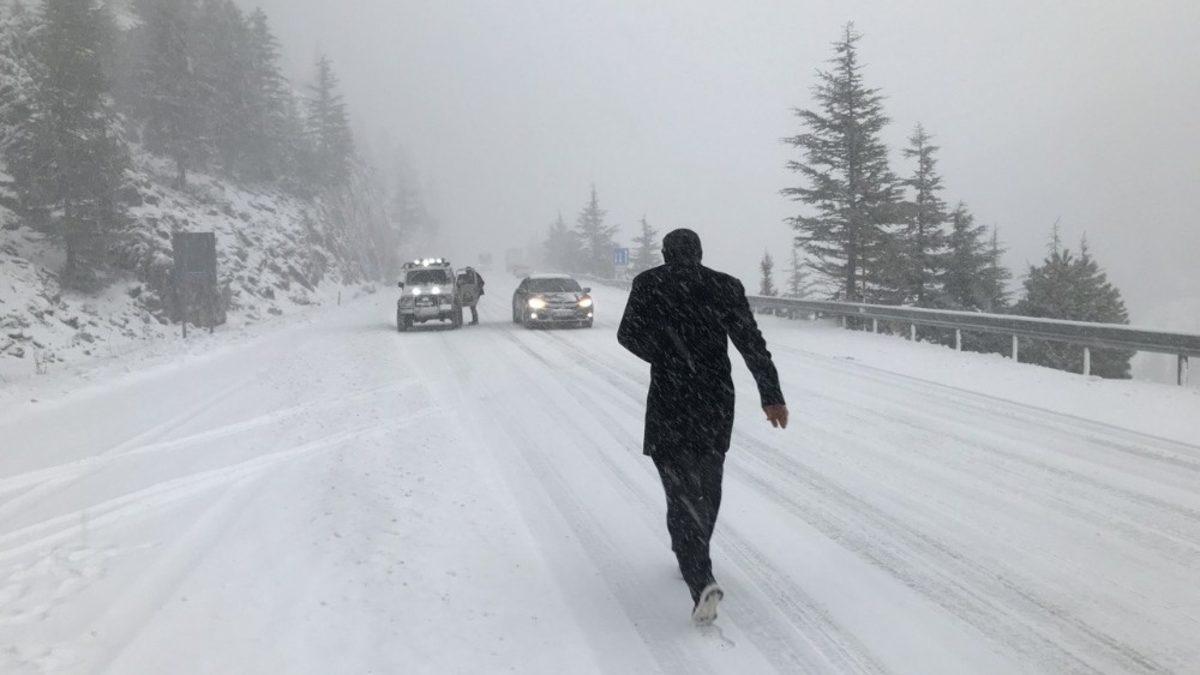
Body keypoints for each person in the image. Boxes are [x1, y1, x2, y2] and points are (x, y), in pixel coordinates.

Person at [617, 228, 788, 625]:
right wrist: (772, 395)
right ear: (699, 252)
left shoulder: (648, 283)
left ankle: (699, 574)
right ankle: (694, 556)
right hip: (714, 401)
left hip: (669, 401)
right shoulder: (724, 286)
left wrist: (665, 355)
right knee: (707, 489)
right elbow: (751, 343)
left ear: (665, 253)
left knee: (680, 492)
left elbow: (627, 335)